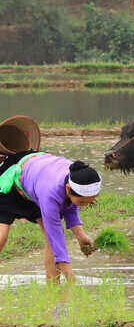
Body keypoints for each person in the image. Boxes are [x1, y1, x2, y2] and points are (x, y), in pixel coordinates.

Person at [0, 115, 103, 283]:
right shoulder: (51, 193)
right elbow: (56, 233)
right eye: (82, 202)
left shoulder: (75, 175)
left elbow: (70, 206)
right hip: (12, 180)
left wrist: (81, 236)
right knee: (1, 236)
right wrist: (70, 273)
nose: (84, 205)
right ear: (68, 189)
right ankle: (62, 280)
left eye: (89, 202)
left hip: (34, 184)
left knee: (49, 238)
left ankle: (53, 286)